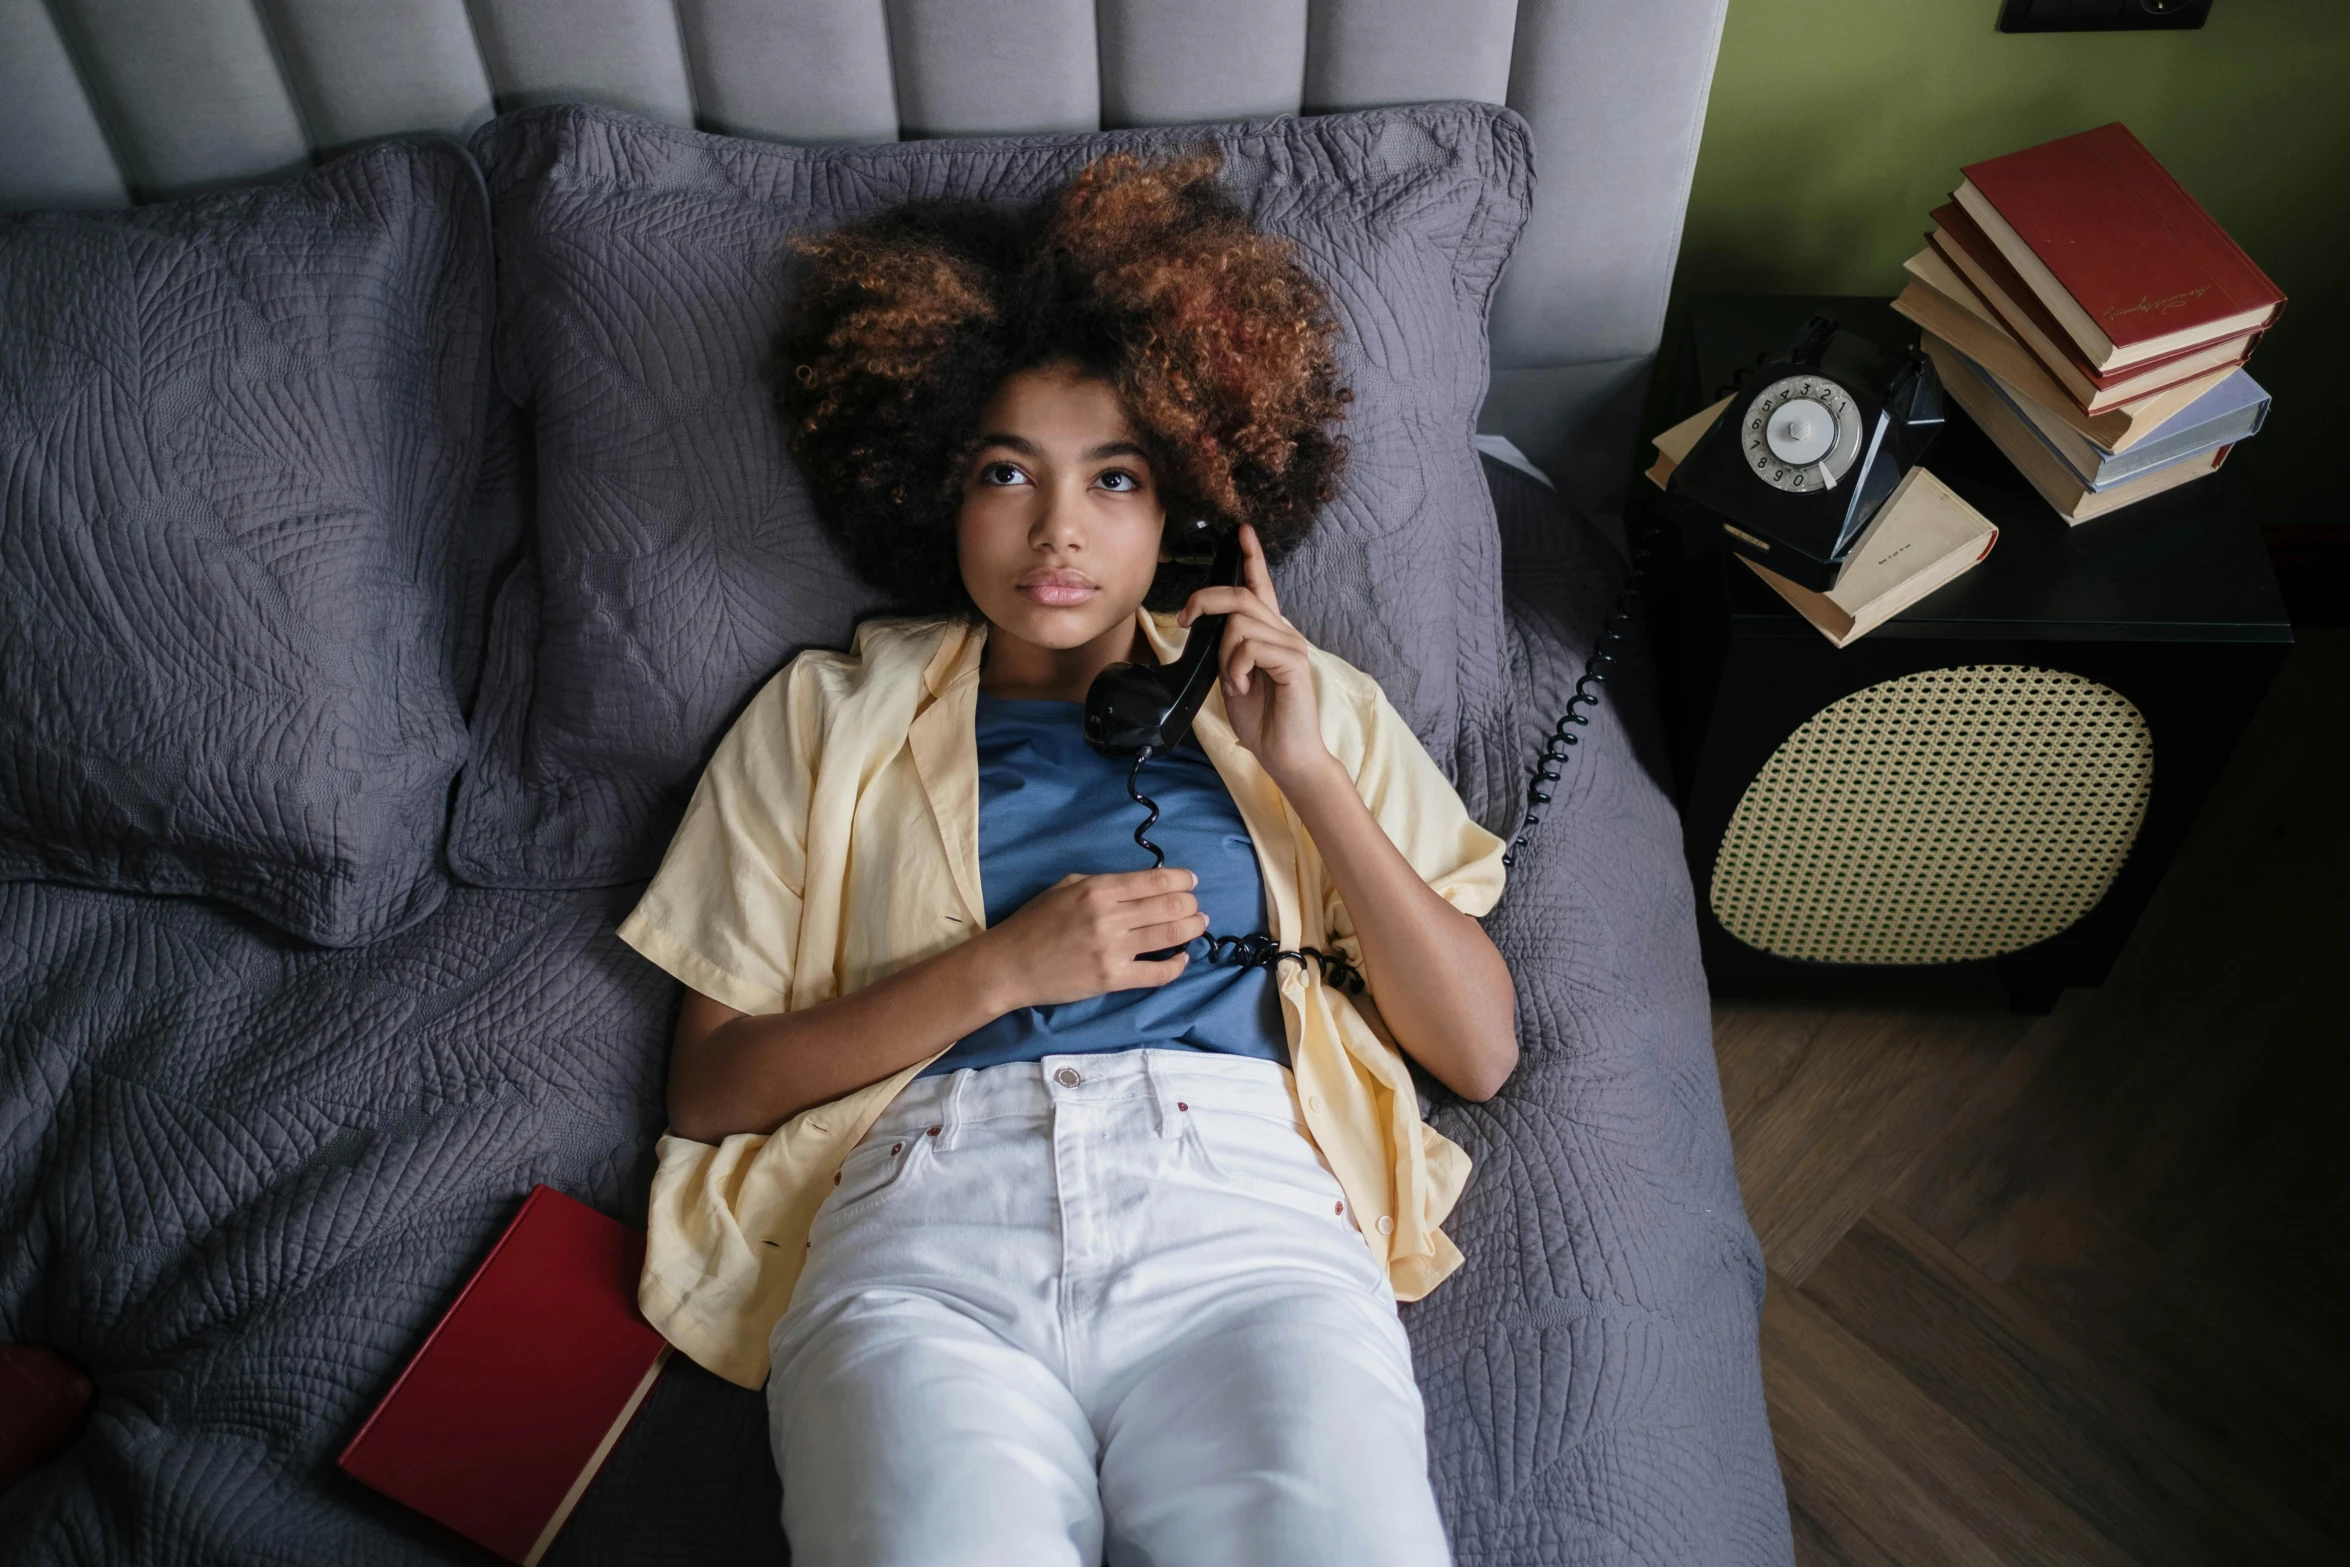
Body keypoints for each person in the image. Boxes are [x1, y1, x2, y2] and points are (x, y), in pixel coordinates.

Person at [615, 148, 1518, 1566]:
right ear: (932, 491)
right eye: (1004, 473)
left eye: (1114, 478)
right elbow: (714, 1084)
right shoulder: (823, 714)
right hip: (922, 1245)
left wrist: (1305, 773)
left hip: (1247, 1229)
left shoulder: (1299, 699)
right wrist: (999, 969)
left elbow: (1476, 1051)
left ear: (1186, 513)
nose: (1058, 531)